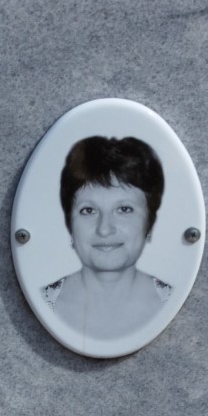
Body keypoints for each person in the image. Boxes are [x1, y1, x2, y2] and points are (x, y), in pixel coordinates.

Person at [39, 136, 173, 347]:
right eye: (88, 210)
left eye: (124, 209)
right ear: (69, 224)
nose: (104, 229)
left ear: (149, 223)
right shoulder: (43, 302)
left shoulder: (171, 301)